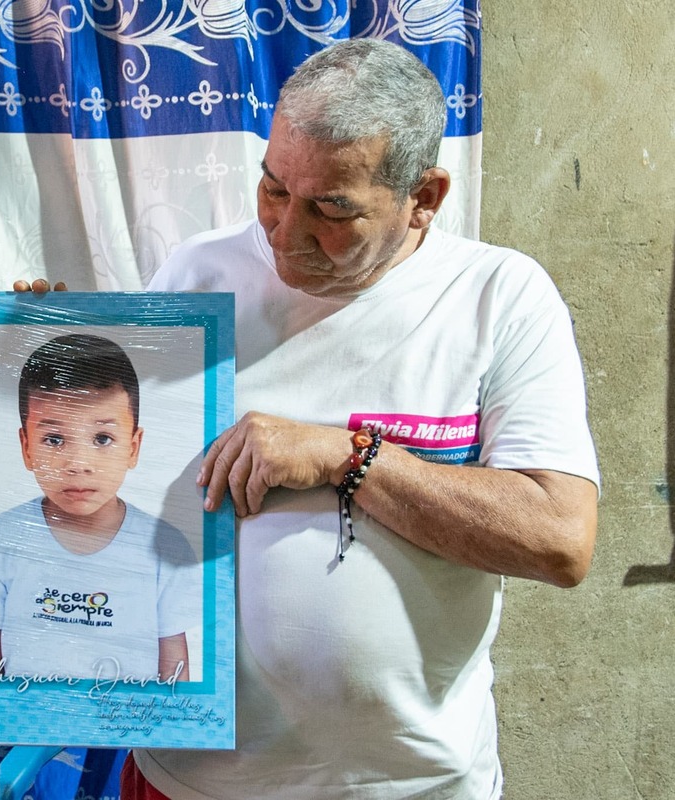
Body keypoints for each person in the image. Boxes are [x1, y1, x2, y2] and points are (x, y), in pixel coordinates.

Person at [116, 38, 600, 799]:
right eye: (273, 188)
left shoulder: (498, 296)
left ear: (425, 197)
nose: (283, 230)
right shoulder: (194, 275)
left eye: (331, 209)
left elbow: (558, 541)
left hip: (410, 785)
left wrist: (350, 458)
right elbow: (115, 480)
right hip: (193, 780)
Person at [0, 333, 197, 682]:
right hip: (26, 730)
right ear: (26, 447)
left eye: (102, 439)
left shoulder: (165, 547)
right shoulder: (0, 540)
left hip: (129, 730)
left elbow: (175, 670)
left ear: (133, 447)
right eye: (54, 439)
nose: (78, 463)